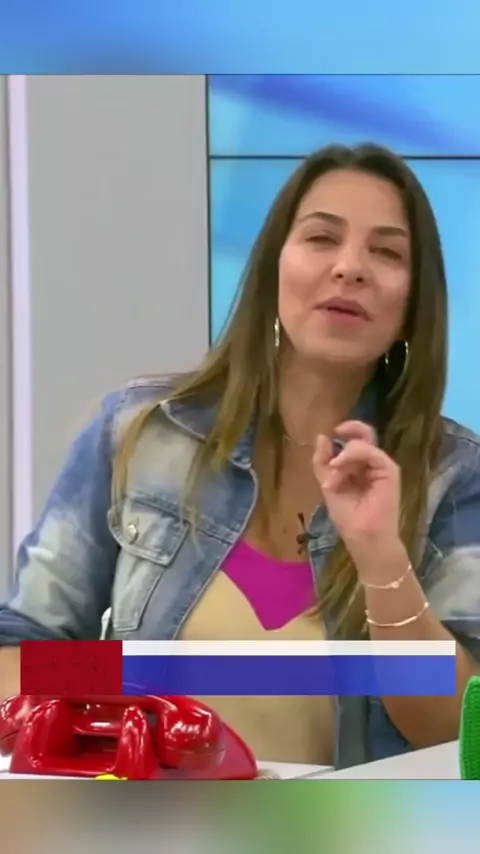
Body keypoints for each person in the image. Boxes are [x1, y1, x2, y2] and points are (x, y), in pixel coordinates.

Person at [1, 142, 480, 770]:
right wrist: (126, 684)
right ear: (274, 267)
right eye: (321, 238)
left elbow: (453, 728)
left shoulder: (454, 474)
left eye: (387, 252)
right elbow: (22, 650)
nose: (350, 268)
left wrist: (380, 556)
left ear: (415, 302)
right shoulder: (142, 432)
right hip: (143, 818)